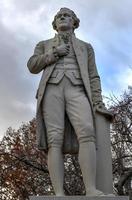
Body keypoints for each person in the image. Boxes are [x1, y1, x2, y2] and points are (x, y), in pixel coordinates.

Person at [27, 7, 113, 196]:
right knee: (54, 139)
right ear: (55, 24)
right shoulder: (44, 44)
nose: (62, 18)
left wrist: (97, 101)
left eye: (66, 16)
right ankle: (59, 193)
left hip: (77, 89)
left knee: (87, 132)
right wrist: (54, 54)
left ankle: (90, 189)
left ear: (74, 22)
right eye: (59, 16)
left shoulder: (86, 47)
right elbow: (32, 65)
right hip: (52, 89)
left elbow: (93, 76)